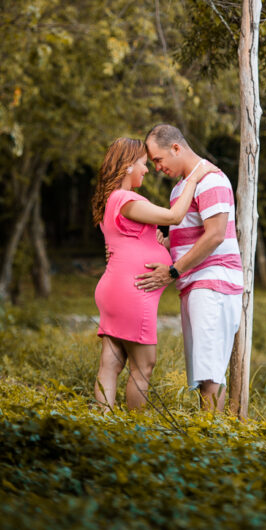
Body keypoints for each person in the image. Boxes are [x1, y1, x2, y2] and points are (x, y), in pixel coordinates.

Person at [91, 136, 208, 411]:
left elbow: (127, 241)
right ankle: (135, 428)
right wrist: (193, 178)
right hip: (133, 292)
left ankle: (101, 421)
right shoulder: (126, 198)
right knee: (144, 365)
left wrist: (154, 244)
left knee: (111, 362)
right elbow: (173, 217)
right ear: (128, 166)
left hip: (115, 289)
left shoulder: (112, 200)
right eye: (143, 164)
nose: (147, 169)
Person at [135, 124, 243, 412]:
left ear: (176, 148)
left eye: (158, 159)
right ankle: (208, 438)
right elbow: (193, 233)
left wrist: (172, 271)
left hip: (213, 282)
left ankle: (214, 443)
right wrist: (166, 243)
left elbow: (216, 234)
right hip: (193, 284)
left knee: (209, 376)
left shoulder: (211, 180)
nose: (157, 167)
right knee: (201, 372)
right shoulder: (181, 189)